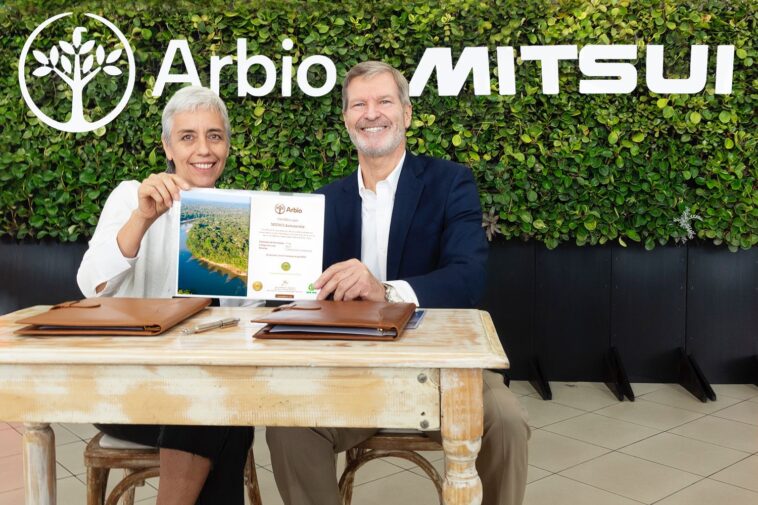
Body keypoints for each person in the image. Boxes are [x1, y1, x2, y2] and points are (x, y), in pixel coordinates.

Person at [265, 62, 530, 505]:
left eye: (384, 101)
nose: (371, 113)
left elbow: (468, 277)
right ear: (346, 118)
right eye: (359, 104)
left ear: (406, 113)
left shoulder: (450, 183)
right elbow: (294, 289)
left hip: (442, 368)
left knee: (505, 419)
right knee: (290, 425)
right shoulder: (322, 202)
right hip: (350, 373)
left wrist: (385, 292)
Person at [77, 85, 253, 505]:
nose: (203, 149)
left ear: (227, 146)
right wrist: (143, 218)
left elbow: (246, 316)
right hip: (128, 388)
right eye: (187, 137)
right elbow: (90, 284)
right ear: (167, 147)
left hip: (204, 379)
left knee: (221, 405)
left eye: (214, 135)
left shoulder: (236, 213)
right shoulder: (131, 196)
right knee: (214, 407)